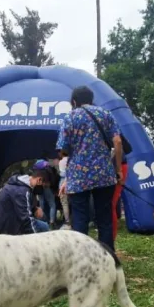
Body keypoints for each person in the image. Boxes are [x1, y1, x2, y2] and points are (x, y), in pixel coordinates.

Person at [57, 86, 123, 252]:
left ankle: (82, 257)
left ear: (74, 101)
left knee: (80, 218)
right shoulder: (106, 114)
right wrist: (119, 169)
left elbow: (63, 149)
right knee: (104, 218)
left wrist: (75, 150)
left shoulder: (70, 117)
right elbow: (118, 142)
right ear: (91, 98)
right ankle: (108, 258)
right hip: (104, 175)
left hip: (78, 177)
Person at [0, 168, 52, 235]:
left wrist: (34, 209)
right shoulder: (22, 191)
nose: (43, 190)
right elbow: (26, 220)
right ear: (39, 180)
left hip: (7, 219)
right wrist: (35, 238)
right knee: (44, 227)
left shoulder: (22, 185)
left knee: (42, 220)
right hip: (6, 226)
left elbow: (21, 207)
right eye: (44, 186)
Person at [58, 155, 70, 229]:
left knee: (64, 203)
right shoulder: (71, 158)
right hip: (72, 182)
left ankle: (67, 221)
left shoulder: (61, 161)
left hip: (62, 182)